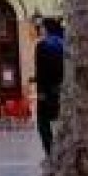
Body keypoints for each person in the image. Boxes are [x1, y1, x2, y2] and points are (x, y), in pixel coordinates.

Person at [32, 17, 65, 158]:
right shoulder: (65, 43)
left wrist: (40, 93)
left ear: (47, 28)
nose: (39, 30)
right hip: (64, 90)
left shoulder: (42, 45)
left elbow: (41, 72)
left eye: (41, 27)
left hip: (48, 91)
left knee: (42, 123)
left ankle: (51, 154)